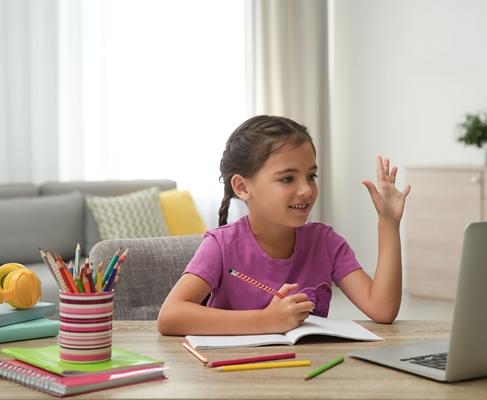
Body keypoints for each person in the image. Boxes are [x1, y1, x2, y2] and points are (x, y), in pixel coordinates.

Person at [157, 115, 410, 336]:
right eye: (288, 178)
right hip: (232, 374)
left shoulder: (326, 242)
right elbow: (170, 316)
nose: (306, 190)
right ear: (242, 187)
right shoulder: (221, 246)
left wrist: (388, 224)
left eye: (311, 176)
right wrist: (266, 321)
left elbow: (383, 309)